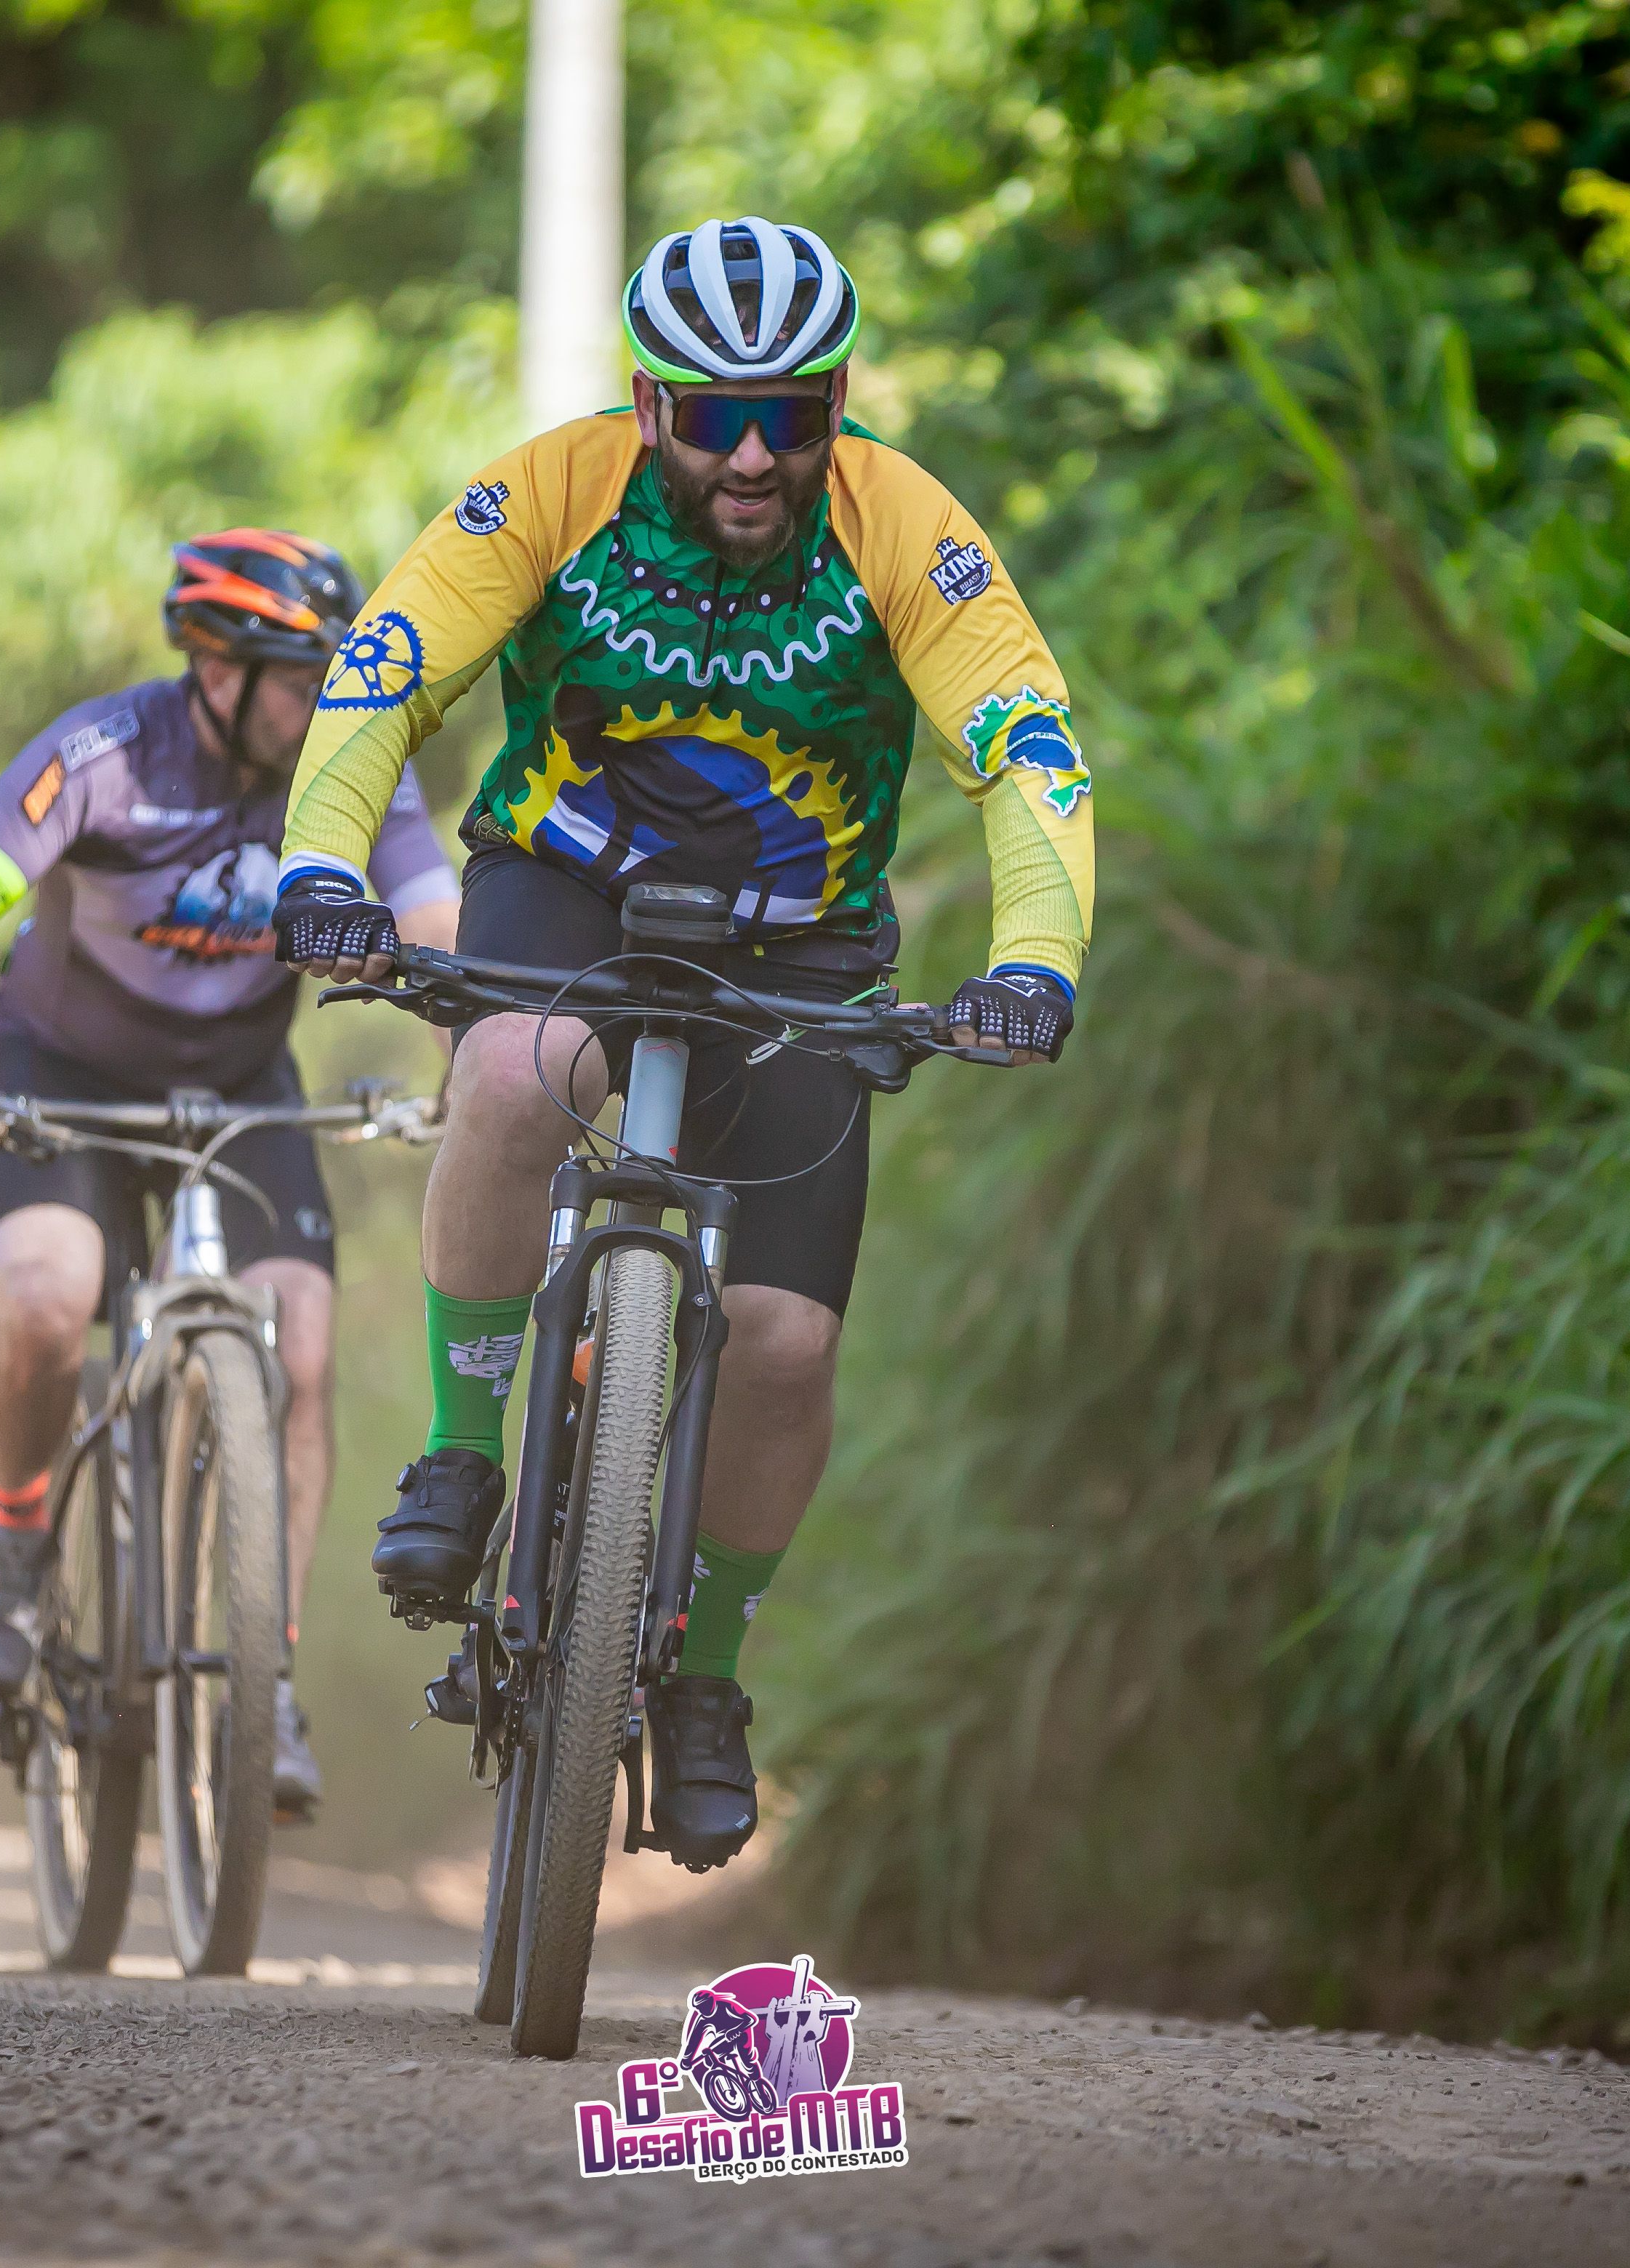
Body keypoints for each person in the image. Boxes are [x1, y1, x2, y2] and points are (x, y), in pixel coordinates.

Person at [272, 217, 1093, 1870]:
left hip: (803, 938)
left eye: (790, 415)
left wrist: (1036, 958)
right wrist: (321, 863)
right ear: (649, 405)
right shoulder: (553, 491)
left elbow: (1026, 745)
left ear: (838, 402)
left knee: (786, 1343)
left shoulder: (906, 528)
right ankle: (461, 1450)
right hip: (569, 887)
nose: (752, 455)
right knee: (511, 1077)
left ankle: (705, 1676)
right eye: (714, 416)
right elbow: (387, 671)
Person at [0, 531, 459, 1821]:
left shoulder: (353, 759)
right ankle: (15, 1534)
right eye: (303, 681)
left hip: (241, 1082)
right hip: (65, 1075)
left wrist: (476, 1059)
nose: (329, 705)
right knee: (44, 1302)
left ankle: (264, 1682)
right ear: (219, 670)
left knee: (302, 1345)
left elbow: (433, 921)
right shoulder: (108, 757)